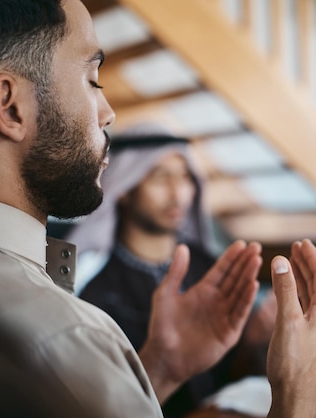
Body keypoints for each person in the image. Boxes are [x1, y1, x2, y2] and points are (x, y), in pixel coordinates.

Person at [0, 0, 316, 417]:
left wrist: (162, 367)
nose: (107, 112)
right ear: (11, 106)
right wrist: (299, 393)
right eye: (92, 77)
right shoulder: (63, 337)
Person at [66, 131, 276, 416]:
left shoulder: (213, 269)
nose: (178, 192)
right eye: (160, 177)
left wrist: (255, 341)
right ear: (125, 187)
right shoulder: (96, 291)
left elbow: (238, 378)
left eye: (185, 177)